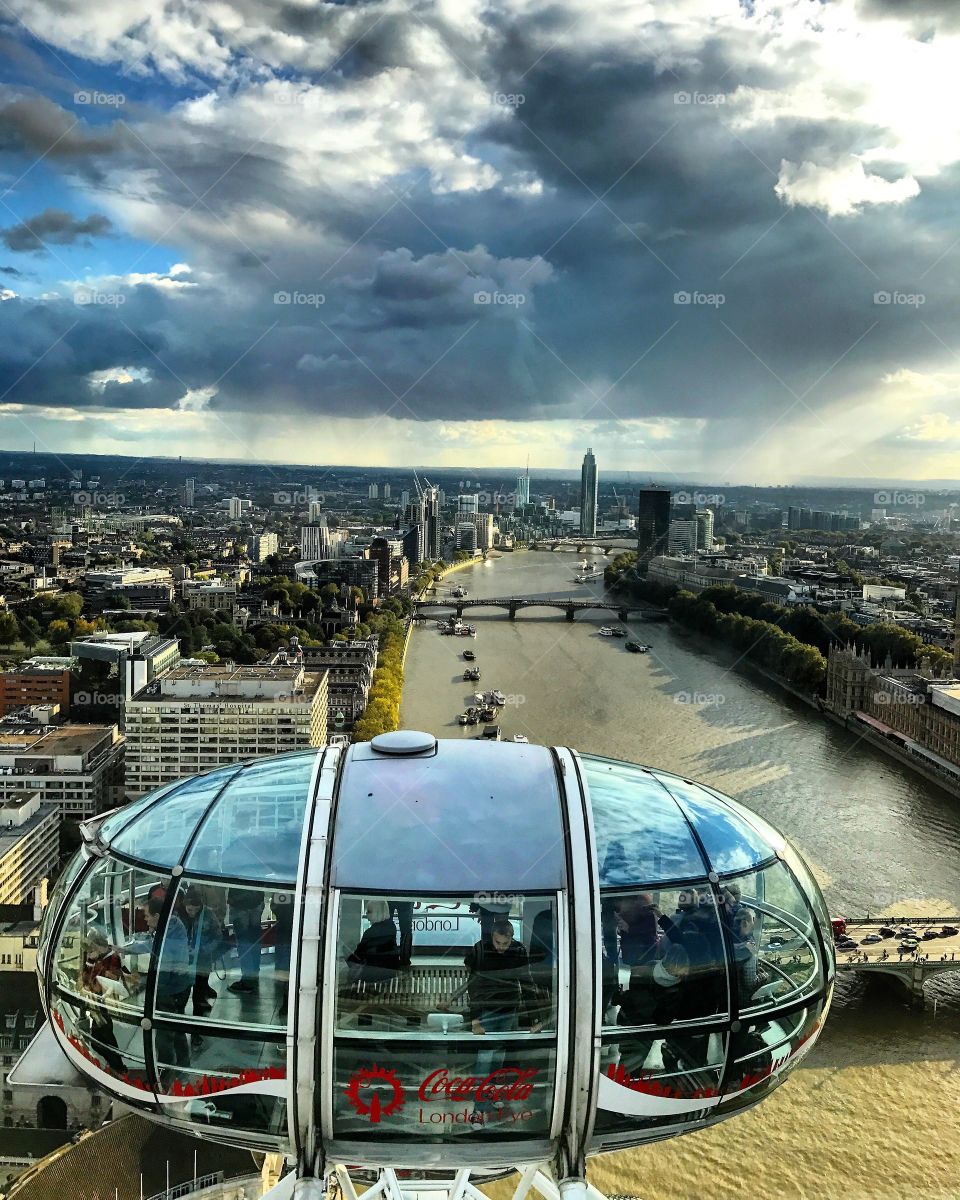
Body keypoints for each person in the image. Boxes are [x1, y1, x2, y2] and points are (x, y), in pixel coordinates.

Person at [460, 919, 542, 1123]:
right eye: (498, 943)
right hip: (487, 1010)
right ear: (492, 937)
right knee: (485, 1060)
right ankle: (478, 1109)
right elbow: (474, 987)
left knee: (498, 1059)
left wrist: (535, 1017)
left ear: (511, 937)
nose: (501, 948)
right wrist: (475, 1020)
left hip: (509, 1009)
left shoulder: (518, 950)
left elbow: (527, 982)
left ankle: (491, 1095)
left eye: (505, 944)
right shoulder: (481, 949)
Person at [119, 896, 192, 1070]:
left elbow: (163, 969)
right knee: (178, 1026)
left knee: (163, 1035)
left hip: (170, 990)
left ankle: (165, 1069)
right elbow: (151, 945)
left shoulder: (166, 937)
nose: (144, 919)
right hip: (181, 986)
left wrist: (149, 988)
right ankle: (183, 1063)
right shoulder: (172, 925)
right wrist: (127, 949)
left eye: (146, 915)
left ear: (158, 916)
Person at [78, 931, 129, 1074]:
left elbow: (108, 979)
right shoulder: (101, 958)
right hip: (98, 1001)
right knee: (100, 1038)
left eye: (92, 948)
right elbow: (87, 978)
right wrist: (91, 962)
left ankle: (118, 1067)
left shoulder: (112, 958)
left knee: (103, 1037)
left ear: (98, 947)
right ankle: (117, 1065)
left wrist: (94, 964)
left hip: (106, 1001)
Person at [181, 887, 223, 1017]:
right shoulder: (179, 915)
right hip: (183, 959)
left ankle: (197, 1022)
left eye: (196, 909)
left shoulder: (209, 915)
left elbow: (218, 936)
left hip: (203, 960)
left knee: (199, 991)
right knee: (182, 992)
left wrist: (205, 950)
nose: (192, 912)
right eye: (189, 909)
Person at [347, 900, 404, 983]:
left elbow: (359, 954)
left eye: (369, 911)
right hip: (389, 972)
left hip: (374, 972)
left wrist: (348, 957)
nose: (366, 914)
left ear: (377, 912)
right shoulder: (391, 926)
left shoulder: (371, 932)